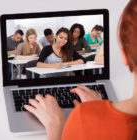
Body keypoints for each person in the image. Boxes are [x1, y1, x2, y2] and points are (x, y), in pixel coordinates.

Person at [24, 1, 137, 139]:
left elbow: (82, 60)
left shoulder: (68, 50)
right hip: (46, 79)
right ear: (56, 37)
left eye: (66, 38)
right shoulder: (48, 49)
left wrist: (56, 128)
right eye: (61, 37)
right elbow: (39, 64)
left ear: (124, 57)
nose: (63, 41)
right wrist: (54, 66)